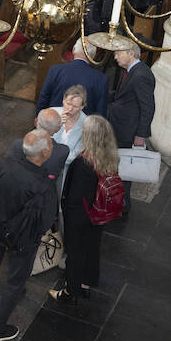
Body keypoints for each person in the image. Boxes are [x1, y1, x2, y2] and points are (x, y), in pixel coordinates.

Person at [0, 132, 58, 341]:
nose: (52, 146)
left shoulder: (5, 165)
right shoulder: (44, 184)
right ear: (44, 152)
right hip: (23, 239)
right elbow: (46, 221)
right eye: (51, 144)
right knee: (15, 283)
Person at [55, 117, 118, 303]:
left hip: (81, 216)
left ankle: (70, 292)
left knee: (75, 252)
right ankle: (86, 285)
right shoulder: (110, 156)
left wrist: (66, 212)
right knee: (92, 248)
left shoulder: (83, 163)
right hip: (99, 213)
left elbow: (74, 197)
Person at [106, 47, 156, 151]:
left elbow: (148, 108)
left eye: (118, 53)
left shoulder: (141, 75)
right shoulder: (130, 71)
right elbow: (124, 95)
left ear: (131, 53)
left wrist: (141, 135)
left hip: (127, 134)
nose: (115, 57)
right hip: (119, 129)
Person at [38, 48, 109, 116]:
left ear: (73, 50)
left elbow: (44, 97)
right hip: (83, 126)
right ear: (93, 56)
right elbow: (101, 111)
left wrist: (38, 116)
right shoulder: (101, 79)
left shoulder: (55, 70)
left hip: (52, 122)